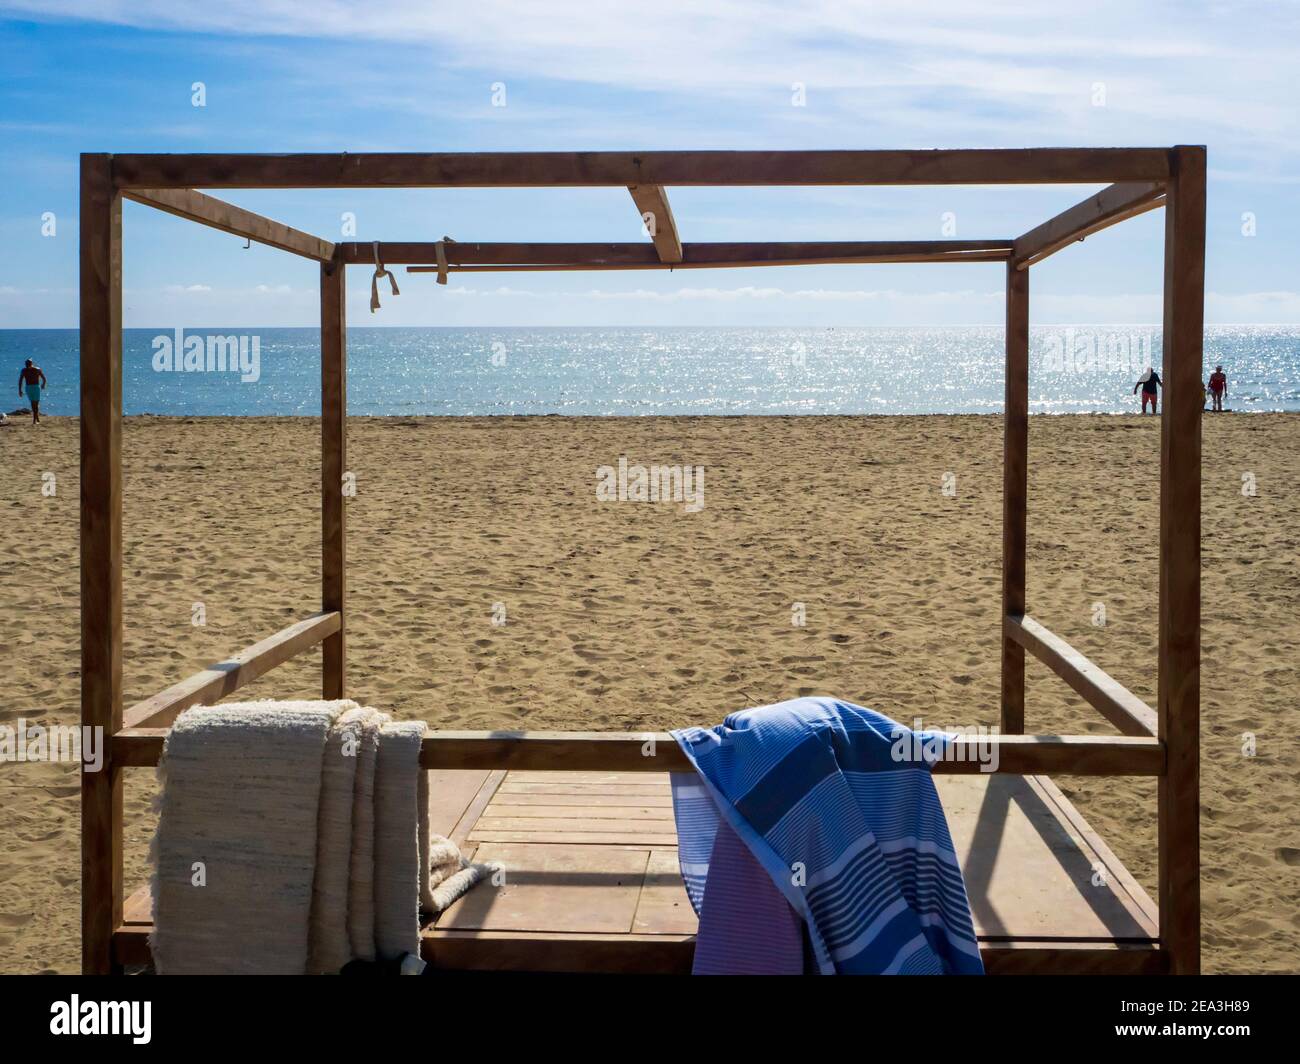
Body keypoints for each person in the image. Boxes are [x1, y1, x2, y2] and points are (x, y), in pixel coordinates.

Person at [18, 359, 47, 424]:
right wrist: (43, 384)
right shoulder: (35, 369)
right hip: (33, 387)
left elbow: (20, 381)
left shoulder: (27, 370)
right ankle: (35, 420)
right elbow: (44, 379)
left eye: (27, 364)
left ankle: (36, 418)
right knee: (35, 403)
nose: (27, 365)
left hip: (31, 387)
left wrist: (20, 390)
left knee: (34, 403)